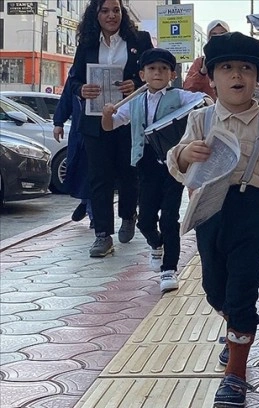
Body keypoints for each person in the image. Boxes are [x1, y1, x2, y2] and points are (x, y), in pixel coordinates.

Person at [167, 32, 259, 406]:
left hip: (251, 210)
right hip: (208, 211)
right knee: (215, 289)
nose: (237, 76)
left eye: (246, 69)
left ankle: (235, 374)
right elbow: (176, 162)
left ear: (257, 79)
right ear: (212, 78)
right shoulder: (199, 119)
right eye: (227, 68)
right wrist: (186, 154)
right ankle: (233, 328)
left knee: (244, 289)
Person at [101, 48, 207, 293]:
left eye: (163, 69)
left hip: (173, 164)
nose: (157, 73)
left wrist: (206, 102)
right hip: (145, 163)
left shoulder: (179, 96)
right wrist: (107, 114)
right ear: (142, 74)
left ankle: (169, 268)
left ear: (172, 73)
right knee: (146, 219)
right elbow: (109, 126)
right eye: (151, 69)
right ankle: (155, 242)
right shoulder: (134, 102)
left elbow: (203, 103)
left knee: (170, 217)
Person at [66, 0, 154, 257]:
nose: (111, 15)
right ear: (96, 14)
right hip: (95, 120)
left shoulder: (140, 39)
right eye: (105, 10)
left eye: (116, 10)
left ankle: (128, 214)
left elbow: (155, 72)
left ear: (122, 13)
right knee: (99, 177)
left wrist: (137, 81)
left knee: (129, 172)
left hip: (129, 117)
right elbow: (74, 79)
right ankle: (102, 235)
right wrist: (81, 90)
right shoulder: (87, 44)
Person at [53, 68, 94, 229]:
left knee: (93, 175)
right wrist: (58, 123)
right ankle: (85, 203)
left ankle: (94, 216)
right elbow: (66, 100)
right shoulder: (74, 78)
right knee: (80, 172)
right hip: (78, 134)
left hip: (101, 133)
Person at [182, 20, 230, 99]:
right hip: (207, 109)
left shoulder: (236, 61)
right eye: (214, 35)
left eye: (222, 34)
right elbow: (188, 90)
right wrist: (202, 72)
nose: (218, 38)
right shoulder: (200, 62)